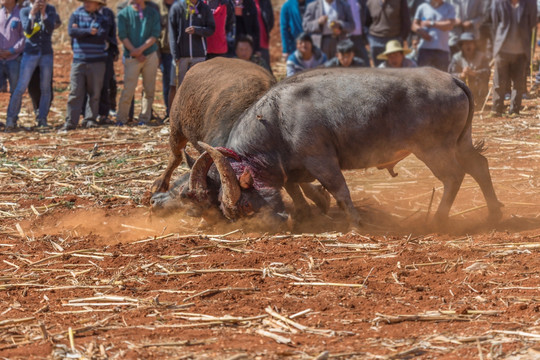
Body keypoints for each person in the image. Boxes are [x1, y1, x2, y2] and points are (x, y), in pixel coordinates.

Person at [5, 0, 57, 132]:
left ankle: (42, 119)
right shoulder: (24, 11)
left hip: (46, 53)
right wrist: (32, 13)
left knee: (45, 88)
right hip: (30, 53)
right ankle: (11, 120)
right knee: (20, 87)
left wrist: (44, 13)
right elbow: (27, 29)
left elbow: (49, 29)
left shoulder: (50, 9)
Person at [59, 0, 110, 132]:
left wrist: (81, 32)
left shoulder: (104, 18)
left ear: (98, 4)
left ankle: (90, 120)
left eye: (91, 2)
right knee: (75, 92)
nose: (87, 3)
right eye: (86, 1)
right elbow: (71, 31)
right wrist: (89, 31)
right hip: (79, 60)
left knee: (95, 93)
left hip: (97, 61)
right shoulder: (75, 15)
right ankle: (71, 121)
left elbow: (101, 36)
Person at [116, 0, 161, 126]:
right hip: (132, 56)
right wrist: (134, 51)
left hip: (150, 55)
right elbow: (122, 35)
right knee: (128, 89)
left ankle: (144, 118)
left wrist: (140, 50)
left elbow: (155, 34)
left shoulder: (152, 13)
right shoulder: (124, 14)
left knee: (149, 89)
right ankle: (122, 118)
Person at [490, 0, 537, 117]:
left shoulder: (530, 3)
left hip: (521, 51)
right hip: (502, 49)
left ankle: (514, 110)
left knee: (518, 82)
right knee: (499, 81)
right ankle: (497, 109)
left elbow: (532, 23)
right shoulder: (498, 2)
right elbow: (495, 23)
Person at [168, 0, 215, 110]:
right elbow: (172, 33)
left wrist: (197, 30)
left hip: (199, 56)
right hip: (181, 56)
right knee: (176, 85)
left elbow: (211, 29)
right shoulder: (177, 7)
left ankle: (193, 114)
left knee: (198, 87)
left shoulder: (205, 8)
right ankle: (172, 114)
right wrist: (175, 54)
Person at [0, 0, 25, 129]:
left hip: (15, 59)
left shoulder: (22, 14)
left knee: (15, 90)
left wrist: (11, 51)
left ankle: (11, 120)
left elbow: (24, 37)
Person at [448, 32, 489, 109]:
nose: (468, 46)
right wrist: (461, 75)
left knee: (482, 80)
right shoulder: (457, 57)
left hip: (477, 84)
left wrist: (475, 73)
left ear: (474, 45)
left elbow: (487, 71)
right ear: (462, 45)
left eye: (470, 43)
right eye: (465, 43)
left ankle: (479, 101)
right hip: (462, 86)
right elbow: (450, 74)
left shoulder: (481, 56)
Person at [412, 0, 456, 71]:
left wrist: (431, 23)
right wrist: (421, 31)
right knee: (423, 77)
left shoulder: (449, 7)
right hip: (424, 49)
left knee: (441, 78)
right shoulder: (422, 7)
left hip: (442, 50)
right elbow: (414, 25)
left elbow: (450, 25)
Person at [365, 0, 411, 67]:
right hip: (375, 41)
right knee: (379, 71)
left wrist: (402, 37)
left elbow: (406, 19)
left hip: (395, 40)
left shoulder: (400, 1)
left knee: (397, 69)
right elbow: (366, 22)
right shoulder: (369, 1)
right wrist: (369, 39)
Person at [158, 0, 176, 118]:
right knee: (168, 84)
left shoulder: (183, 5)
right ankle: (168, 112)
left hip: (182, 51)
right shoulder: (157, 7)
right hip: (165, 51)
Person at [253, 0, 273, 66]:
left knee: (266, 69)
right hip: (249, 46)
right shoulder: (243, 2)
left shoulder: (265, 2)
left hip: (263, 43)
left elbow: (270, 20)